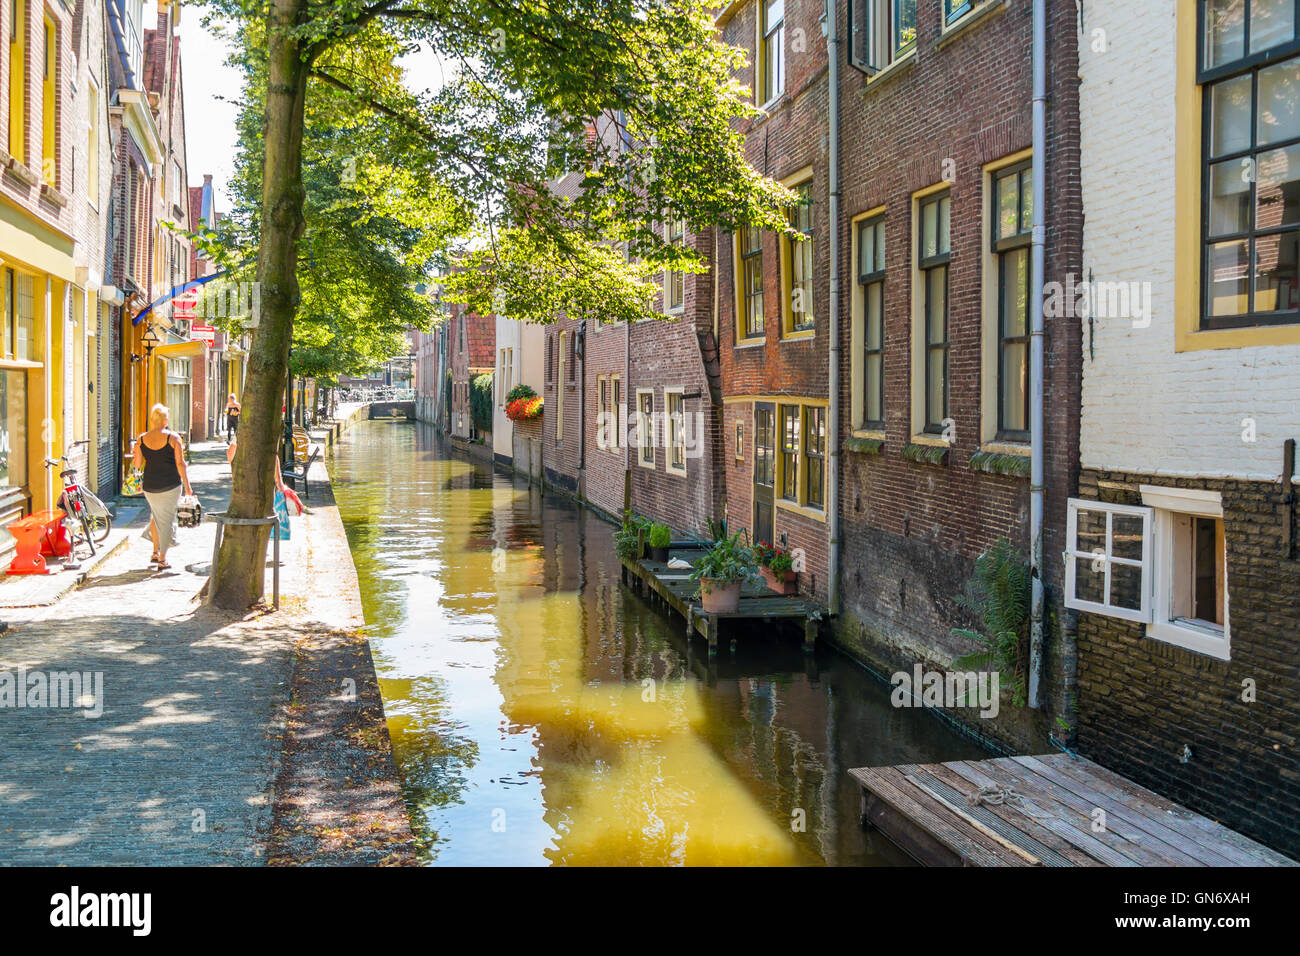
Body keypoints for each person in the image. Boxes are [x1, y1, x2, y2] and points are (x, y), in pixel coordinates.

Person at [132, 404, 193, 570]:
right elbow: (180, 464)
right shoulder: (173, 439)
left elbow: (137, 464)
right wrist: (188, 487)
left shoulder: (142, 438)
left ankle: (154, 551)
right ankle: (162, 559)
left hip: (150, 486)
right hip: (170, 485)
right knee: (166, 521)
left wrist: (137, 449)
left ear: (152, 420)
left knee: (156, 516)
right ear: (165, 420)